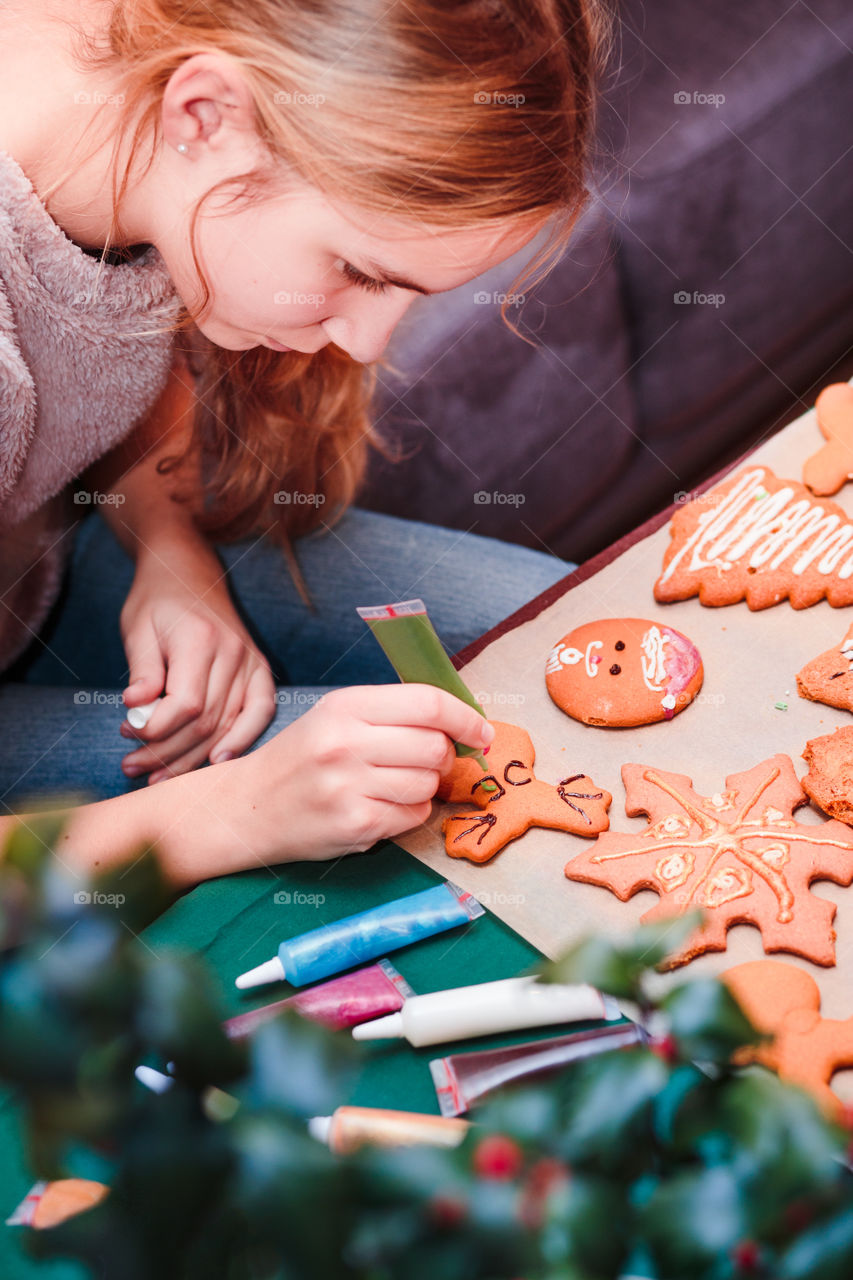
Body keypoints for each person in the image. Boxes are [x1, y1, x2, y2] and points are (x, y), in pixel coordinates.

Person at [0, 0, 606, 887]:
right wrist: (237, 811)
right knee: (432, 794)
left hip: (50, 564)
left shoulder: (137, 125)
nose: (366, 345)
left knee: (582, 644)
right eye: (359, 271)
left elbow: (108, 344)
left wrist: (169, 551)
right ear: (204, 116)